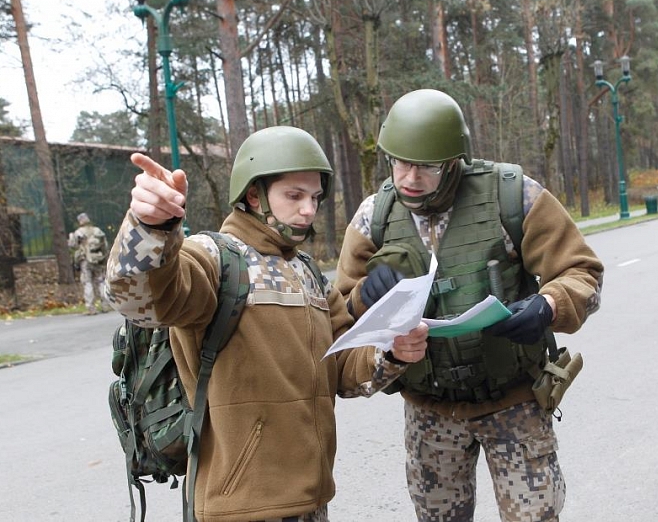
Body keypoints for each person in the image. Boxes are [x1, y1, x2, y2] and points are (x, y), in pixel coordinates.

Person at [104, 126, 428, 522]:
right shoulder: (213, 257)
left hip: (310, 497)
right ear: (254, 195)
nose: (308, 210)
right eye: (294, 195)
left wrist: (391, 353)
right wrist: (150, 227)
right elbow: (140, 299)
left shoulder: (307, 271)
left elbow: (343, 365)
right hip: (240, 505)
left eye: (314, 198)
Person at [334, 89, 604, 522]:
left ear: (454, 159)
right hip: (429, 411)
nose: (409, 177)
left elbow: (583, 272)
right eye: (399, 162)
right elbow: (340, 312)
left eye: (425, 167)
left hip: (513, 403)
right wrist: (365, 294)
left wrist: (548, 306)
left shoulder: (511, 195)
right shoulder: (375, 216)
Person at [67, 212, 108, 315]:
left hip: (86, 261)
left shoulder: (78, 232)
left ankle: (91, 308)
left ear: (80, 221)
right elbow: (105, 245)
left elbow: (73, 245)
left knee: (88, 282)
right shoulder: (97, 230)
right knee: (100, 281)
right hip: (98, 259)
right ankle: (105, 305)